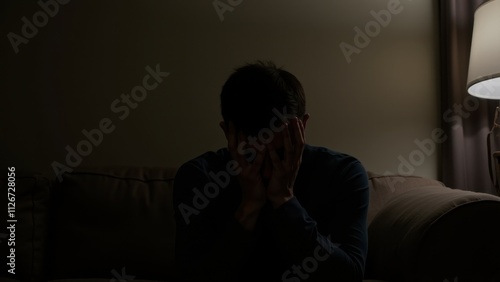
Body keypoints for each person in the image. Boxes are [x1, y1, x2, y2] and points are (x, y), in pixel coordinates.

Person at [173, 61, 369, 282]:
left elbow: (349, 277)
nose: (266, 172)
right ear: (227, 131)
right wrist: (248, 208)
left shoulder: (343, 174)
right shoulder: (198, 178)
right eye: (251, 155)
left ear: (302, 128)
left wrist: (285, 200)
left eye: (280, 153)